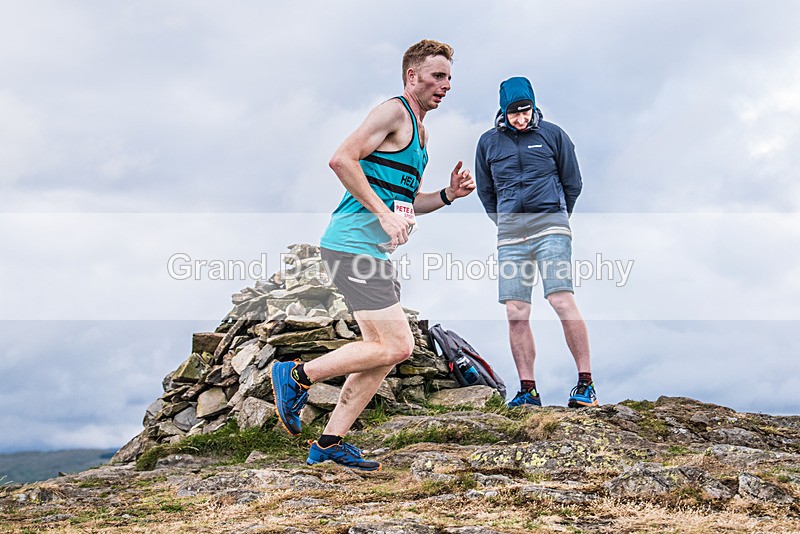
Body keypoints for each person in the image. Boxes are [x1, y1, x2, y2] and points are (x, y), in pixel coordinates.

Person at [271, 39, 476, 470]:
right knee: (398, 347)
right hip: (351, 245)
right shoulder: (394, 111)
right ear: (411, 76)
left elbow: (407, 200)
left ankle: (329, 443)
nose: (446, 85)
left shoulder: (420, 132)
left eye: (450, 78)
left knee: (380, 349)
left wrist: (447, 195)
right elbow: (342, 159)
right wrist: (383, 216)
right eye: (438, 76)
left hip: (372, 252)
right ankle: (295, 375)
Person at [474, 76, 597, 409]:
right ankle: (528, 390)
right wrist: (505, 222)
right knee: (516, 311)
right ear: (503, 112)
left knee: (560, 300)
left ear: (533, 105)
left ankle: (585, 384)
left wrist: (557, 216)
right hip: (511, 234)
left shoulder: (553, 135)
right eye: (514, 113)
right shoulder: (488, 143)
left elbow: (573, 182)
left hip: (551, 227)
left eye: (525, 111)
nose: (521, 118)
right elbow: (486, 192)